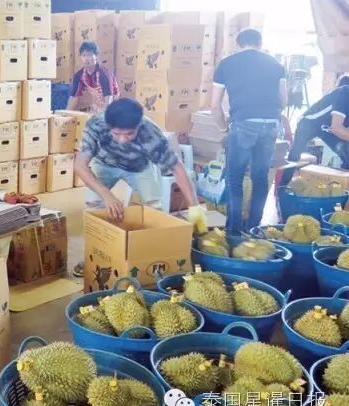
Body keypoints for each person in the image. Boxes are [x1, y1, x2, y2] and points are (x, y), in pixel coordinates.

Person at [72, 98, 206, 277]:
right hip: (104, 164)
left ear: (139, 126)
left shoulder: (151, 133)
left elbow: (177, 168)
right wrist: (107, 195)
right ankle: (96, 255)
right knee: (95, 207)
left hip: (139, 168)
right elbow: (80, 166)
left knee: (155, 210)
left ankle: (151, 257)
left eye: (129, 134)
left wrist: (195, 207)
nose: (122, 140)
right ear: (108, 126)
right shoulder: (96, 124)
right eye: (117, 133)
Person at [211, 28, 287, 235]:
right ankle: (254, 228)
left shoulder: (226, 64)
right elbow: (283, 100)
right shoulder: (275, 64)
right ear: (260, 43)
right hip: (270, 125)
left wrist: (223, 127)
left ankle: (235, 231)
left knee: (234, 178)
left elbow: (215, 105)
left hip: (243, 124)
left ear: (238, 44)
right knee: (260, 177)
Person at [286, 75, 349, 169]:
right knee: (294, 158)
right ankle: (285, 178)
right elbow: (336, 128)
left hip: (326, 127)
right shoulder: (345, 92)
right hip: (309, 122)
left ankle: (343, 177)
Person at [66, 42, 119, 113]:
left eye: (90, 55)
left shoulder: (104, 74)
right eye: (84, 55)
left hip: (112, 105)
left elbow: (109, 98)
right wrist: (66, 114)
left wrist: (102, 115)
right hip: (97, 105)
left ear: (96, 56)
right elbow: (74, 97)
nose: (86, 59)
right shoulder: (79, 75)